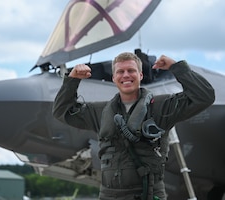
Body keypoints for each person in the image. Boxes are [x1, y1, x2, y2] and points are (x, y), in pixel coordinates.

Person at [52, 52, 215, 200]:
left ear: (140, 75)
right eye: (120, 72)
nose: (126, 75)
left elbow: (204, 97)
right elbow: (62, 111)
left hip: (148, 195)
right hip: (110, 196)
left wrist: (176, 67)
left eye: (131, 70)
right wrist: (72, 80)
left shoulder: (161, 107)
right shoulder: (100, 112)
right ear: (114, 78)